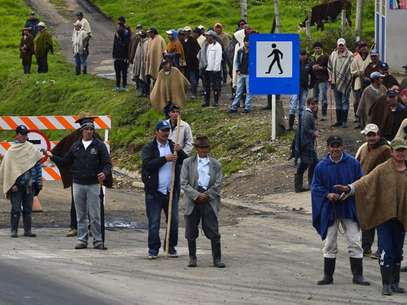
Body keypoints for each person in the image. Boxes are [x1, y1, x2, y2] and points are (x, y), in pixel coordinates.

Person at [335, 137, 407, 295]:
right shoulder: (383, 169)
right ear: (392, 152)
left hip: (402, 219)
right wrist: (349, 188)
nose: (401, 153)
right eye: (398, 150)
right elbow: (365, 182)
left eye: (404, 150)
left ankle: (395, 283)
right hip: (385, 217)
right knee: (385, 250)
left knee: (397, 251)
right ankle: (386, 285)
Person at [311, 135, 369, 286]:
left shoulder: (353, 163)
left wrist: (348, 190)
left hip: (349, 208)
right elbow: (315, 187)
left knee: (355, 241)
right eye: (332, 146)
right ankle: (328, 276)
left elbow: (362, 183)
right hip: (330, 209)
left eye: (338, 145)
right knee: (330, 243)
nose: (335, 149)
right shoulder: (321, 166)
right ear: (328, 147)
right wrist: (327, 194)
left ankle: (358, 276)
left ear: (342, 146)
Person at [46, 119, 112, 249]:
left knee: (95, 215)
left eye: (91, 129)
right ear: (82, 131)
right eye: (86, 129)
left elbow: (107, 163)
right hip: (78, 183)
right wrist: (52, 156)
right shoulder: (75, 146)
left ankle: (98, 240)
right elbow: (65, 162)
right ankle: (82, 240)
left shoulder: (99, 146)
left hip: (93, 184)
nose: (89, 132)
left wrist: (104, 173)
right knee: (80, 215)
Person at [141, 120, 188, 259]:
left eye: (167, 131)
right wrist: (164, 159)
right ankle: (153, 249)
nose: (165, 133)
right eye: (163, 131)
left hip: (171, 190)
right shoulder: (149, 148)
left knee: (173, 221)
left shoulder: (173, 146)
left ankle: (171, 246)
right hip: (154, 192)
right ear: (156, 132)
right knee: (154, 222)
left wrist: (181, 152)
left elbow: (186, 163)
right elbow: (147, 165)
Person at [181, 136, 225, 268]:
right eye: (201, 148)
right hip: (192, 199)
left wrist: (207, 194)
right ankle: (192, 258)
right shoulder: (188, 163)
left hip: (209, 199)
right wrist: (196, 195)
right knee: (191, 230)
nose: (204, 151)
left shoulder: (216, 164)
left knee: (213, 229)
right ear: (196, 149)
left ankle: (217, 259)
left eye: (206, 148)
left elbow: (218, 183)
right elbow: (184, 182)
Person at [354, 123, 391, 258]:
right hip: (365, 188)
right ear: (365, 136)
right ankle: (365, 247)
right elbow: (356, 163)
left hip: (381, 189)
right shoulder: (364, 148)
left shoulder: (386, 149)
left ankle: (381, 249)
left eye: (373, 135)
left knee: (381, 220)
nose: (371, 138)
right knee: (366, 218)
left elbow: (389, 170)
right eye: (369, 135)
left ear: (378, 135)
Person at [0, 125, 43, 238]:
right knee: (15, 208)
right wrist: (11, 184)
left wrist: (38, 181)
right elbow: (7, 169)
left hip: (30, 184)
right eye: (22, 134)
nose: (24, 136)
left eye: (25, 134)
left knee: (28, 209)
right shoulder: (11, 151)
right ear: (17, 135)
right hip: (17, 185)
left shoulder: (31, 148)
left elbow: (37, 165)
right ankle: (14, 231)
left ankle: (27, 230)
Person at [293, 97, 319, 192]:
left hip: (305, 143)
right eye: (313, 104)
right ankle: (309, 184)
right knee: (311, 163)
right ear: (308, 105)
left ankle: (303, 185)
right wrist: (314, 133)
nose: (315, 106)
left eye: (316, 104)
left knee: (310, 163)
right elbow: (306, 129)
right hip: (306, 144)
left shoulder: (307, 114)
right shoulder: (308, 115)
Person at [328, 38, 353, 128]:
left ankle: (344, 121)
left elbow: (352, 68)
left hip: (346, 82)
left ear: (345, 45)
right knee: (338, 102)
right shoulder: (333, 55)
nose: (341, 47)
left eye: (342, 45)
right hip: (335, 81)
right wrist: (330, 78)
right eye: (339, 45)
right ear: (337, 46)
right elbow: (330, 67)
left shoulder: (350, 55)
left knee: (344, 101)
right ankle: (339, 121)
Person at [288, 50, 312, 130]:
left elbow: (313, 75)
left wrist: (311, 84)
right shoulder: (294, 63)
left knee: (302, 107)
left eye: (304, 55)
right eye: (301, 55)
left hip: (304, 87)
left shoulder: (309, 63)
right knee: (293, 106)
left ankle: (301, 125)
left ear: (306, 55)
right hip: (294, 87)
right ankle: (290, 125)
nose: (303, 56)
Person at [229, 36, 252, 113]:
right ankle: (234, 107)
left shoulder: (253, 51)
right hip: (241, 73)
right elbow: (237, 61)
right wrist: (237, 70)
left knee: (249, 91)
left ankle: (247, 107)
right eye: (246, 41)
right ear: (244, 42)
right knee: (239, 91)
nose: (247, 43)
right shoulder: (240, 51)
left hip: (249, 73)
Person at [350, 41, 371, 125]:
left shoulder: (370, 57)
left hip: (369, 82)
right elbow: (352, 71)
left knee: (368, 101)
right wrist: (358, 73)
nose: (363, 48)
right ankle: (358, 117)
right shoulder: (356, 58)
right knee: (357, 102)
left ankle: (367, 118)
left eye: (365, 46)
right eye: (361, 46)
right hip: (358, 82)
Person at [203, 30, 222, 107]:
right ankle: (206, 101)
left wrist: (216, 69)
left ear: (212, 37)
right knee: (206, 86)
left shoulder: (217, 46)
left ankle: (216, 101)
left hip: (214, 70)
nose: (206, 37)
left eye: (208, 35)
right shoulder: (206, 45)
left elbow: (218, 58)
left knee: (215, 86)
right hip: (207, 68)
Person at [310, 41, 329, 121]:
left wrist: (321, 68)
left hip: (323, 78)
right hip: (314, 79)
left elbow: (329, 68)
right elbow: (309, 67)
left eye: (319, 48)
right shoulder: (311, 57)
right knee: (315, 97)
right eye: (316, 48)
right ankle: (314, 114)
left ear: (321, 49)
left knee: (324, 97)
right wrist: (312, 67)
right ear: (314, 49)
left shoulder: (325, 56)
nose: (317, 50)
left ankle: (324, 114)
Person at [145, 27, 166, 95]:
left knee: (158, 77)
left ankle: (158, 92)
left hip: (158, 61)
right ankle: (151, 92)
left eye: (150, 32)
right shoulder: (150, 40)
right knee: (150, 76)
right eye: (148, 33)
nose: (149, 34)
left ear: (153, 32)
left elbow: (164, 50)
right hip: (150, 61)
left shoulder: (160, 39)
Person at [182, 26, 200, 99]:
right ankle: (187, 93)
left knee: (193, 79)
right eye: (185, 31)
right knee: (187, 78)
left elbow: (198, 51)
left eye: (188, 31)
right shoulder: (182, 40)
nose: (187, 33)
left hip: (193, 63)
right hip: (185, 63)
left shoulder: (193, 40)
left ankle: (194, 93)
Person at [112, 21, 131, 91]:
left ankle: (125, 85)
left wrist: (127, 57)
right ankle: (117, 86)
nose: (117, 27)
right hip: (117, 57)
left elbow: (126, 45)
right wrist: (113, 55)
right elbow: (114, 45)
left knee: (124, 73)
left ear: (122, 27)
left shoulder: (126, 34)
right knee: (117, 73)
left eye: (119, 26)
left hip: (124, 58)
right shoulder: (116, 34)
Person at [133, 30, 149, 96]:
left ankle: (146, 92)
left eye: (139, 35)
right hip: (139, 63)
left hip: (143, 63)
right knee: (140, 77)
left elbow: (145, 54)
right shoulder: (140, 42)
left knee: (144, 77)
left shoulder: (146, 43)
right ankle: (142, 91)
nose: (138, 36)